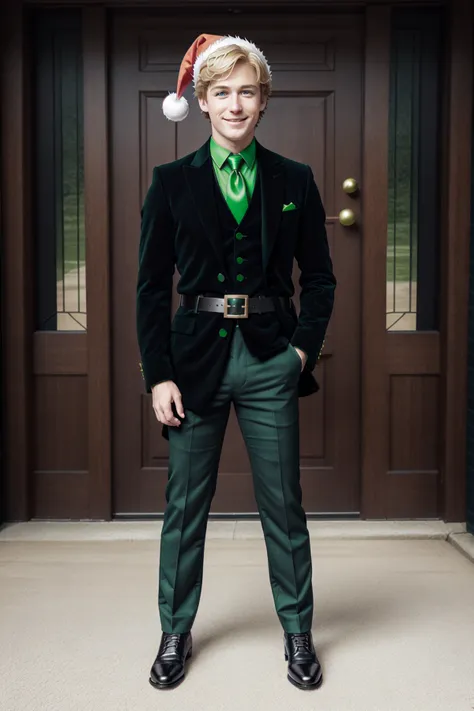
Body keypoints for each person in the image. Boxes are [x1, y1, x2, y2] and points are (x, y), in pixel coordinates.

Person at [136, 33, 336, 691]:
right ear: (202, 101)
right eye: (222, 92)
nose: (235, 104)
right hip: (193, 362)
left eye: (247, 91)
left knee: (284, 503)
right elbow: (148, 287)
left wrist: (300, 350)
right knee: (185, 504)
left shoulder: (295, 180)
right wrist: (158, 373)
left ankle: (299, 632)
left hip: (270, 359)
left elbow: (322, 278)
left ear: (264, 99)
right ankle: (174, 629)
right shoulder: (170, 184)